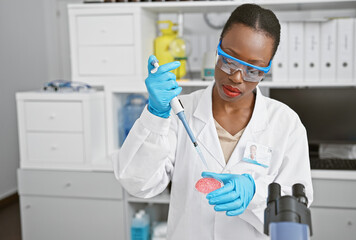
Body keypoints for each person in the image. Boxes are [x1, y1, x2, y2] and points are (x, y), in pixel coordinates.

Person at [113, 4, 313, 240]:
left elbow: (297, 211)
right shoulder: (181, 113)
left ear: (266, 70)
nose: (236, 77)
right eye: (229, 60)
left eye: (253, 71)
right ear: (218, 49)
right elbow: (137, 183)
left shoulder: (286, 124)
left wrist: (255, 195)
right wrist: (155, 114)